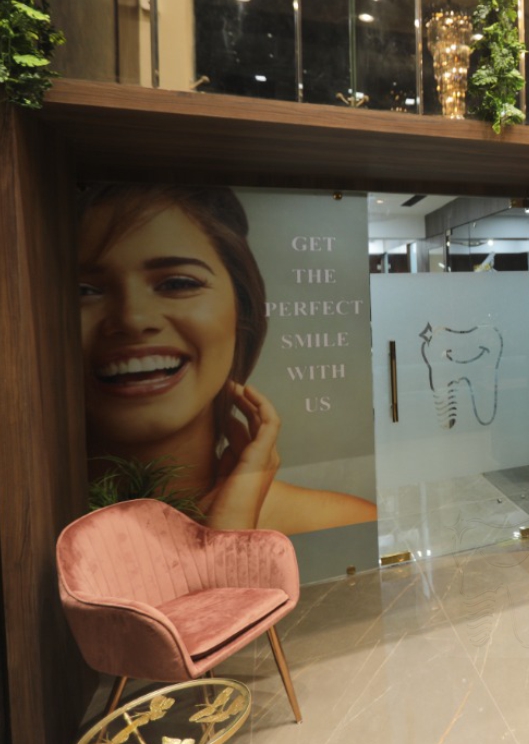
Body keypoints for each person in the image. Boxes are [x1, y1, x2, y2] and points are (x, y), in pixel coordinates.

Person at [78, 183, 376, 534]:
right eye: (85, 291)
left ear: (242, 310)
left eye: (177, 284)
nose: (132, 319)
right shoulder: (35, 536)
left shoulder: (346, 523)